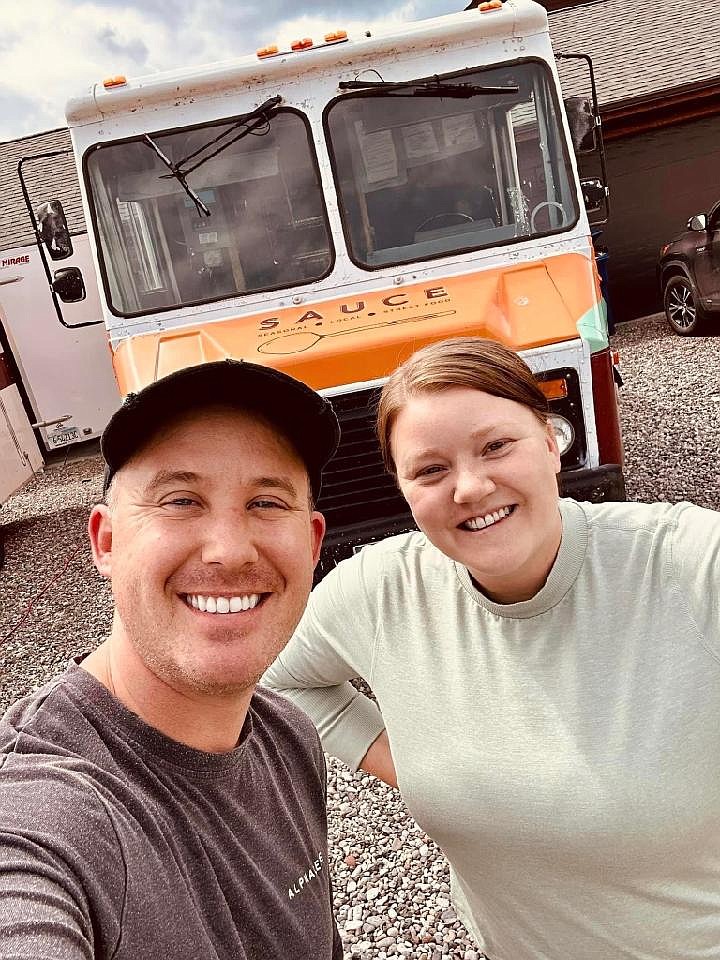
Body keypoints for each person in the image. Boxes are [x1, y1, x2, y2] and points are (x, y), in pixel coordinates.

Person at [262, 336, 720, 960]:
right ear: (404, 492)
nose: (471, 487)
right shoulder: (381, 591)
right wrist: (401, 758)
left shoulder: (685, 562)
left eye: (496, 446)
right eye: (430, 470)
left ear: (553, 441)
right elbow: (276, 676)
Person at [0, 359, 344, 960]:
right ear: (106, 541)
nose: (230, 550)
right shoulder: (46, 809)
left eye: (266, 503)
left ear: (312, 543)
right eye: (181, 500)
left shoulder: (288, 738)